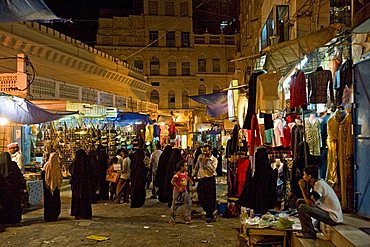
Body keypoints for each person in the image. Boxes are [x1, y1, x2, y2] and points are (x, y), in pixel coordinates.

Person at [296, 166, 343, 239]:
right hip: (325, 212)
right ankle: (312, 226)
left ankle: (309, 232)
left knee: (302, 207)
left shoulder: (319, 185)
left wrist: (302, 188)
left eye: (304, 175)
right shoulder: (316, 184)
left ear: (309, 176)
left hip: (332, 217)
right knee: (300, 201)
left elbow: (309, 204)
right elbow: (311, 201)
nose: (303, 177)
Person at [192, 145, 218, 223]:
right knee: (201, 196)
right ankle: (209, 212)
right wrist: (193, 175)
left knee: (210, 198)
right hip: (202, 180)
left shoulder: (214, 160)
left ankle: (209, 214)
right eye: (203, 151)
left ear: (210, 151)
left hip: (210, 179)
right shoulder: (200, 157)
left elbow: (213, 170)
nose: (205, 153)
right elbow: (196, 167)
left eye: (206, 151)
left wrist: (207, 163)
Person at [0, 152, 25, 224]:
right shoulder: (14, 165)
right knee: (15, 205)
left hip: (4, 192)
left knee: (6, 206)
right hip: (15, 191)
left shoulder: (1, 166)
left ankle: (5, 219)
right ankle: (15, 218)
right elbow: (20, 177)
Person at [70, 149, 94, 219]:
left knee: (77, 200)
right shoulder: (88, 162)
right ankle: (85, 214)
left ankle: (78, 213)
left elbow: (72, 171)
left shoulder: (75, 162)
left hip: (77, 185)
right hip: (85, 185)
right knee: (85, 200)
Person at [169, 160, 193, 225]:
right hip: (177, 192)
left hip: (184, 191)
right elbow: (172, 182)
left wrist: (190, 180)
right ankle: (172, 218)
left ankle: (187, 217)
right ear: (181, 167)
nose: (187, 167)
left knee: (189, 203)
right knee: (175, 205)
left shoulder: (185, 173)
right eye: (185, 165)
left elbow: (186, 178)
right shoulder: (177, 175)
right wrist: (178, 187)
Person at [42, 152, 63, 222]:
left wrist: (48, 183)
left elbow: (44, 176)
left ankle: (50, 216)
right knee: (54, 201)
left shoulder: (47, 165)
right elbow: (60, 177)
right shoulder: (55, 166)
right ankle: (54, 215)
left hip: (48, 187)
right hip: (55, 187)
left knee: (49, 202)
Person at [129, 139, 147, 208]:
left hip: (134, 178)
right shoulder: (141, 164)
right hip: (140, 179)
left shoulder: (134, 162)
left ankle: (135, 202)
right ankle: (139, 201)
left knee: (135, 189)